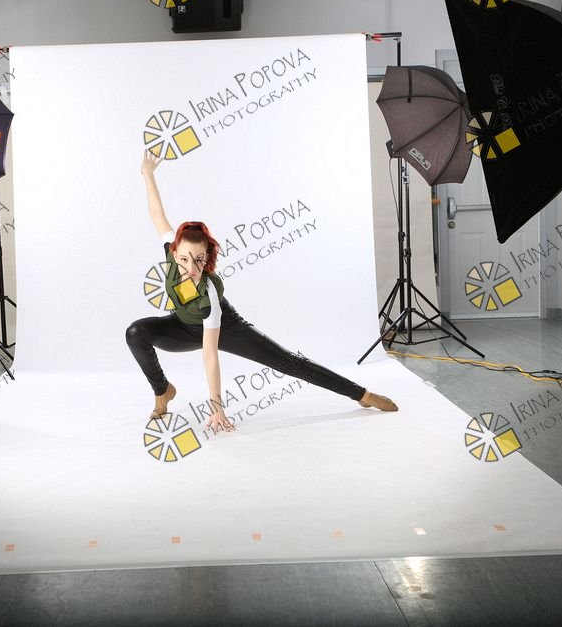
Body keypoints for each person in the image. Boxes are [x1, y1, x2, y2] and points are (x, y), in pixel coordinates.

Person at [126, 151, 398, 434]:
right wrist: (148, 173)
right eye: (183, 259)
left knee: (289, 362)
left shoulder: (209, 293)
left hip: (227, 328)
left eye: (199, 260)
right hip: (183, 327)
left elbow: (210, 354)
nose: (190, 267)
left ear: (207, 260)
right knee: (135, 333)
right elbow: (157, 214)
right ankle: (163, 391)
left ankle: (362, 394)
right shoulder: (172, 252)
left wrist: (216, 406)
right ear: (174, 253)